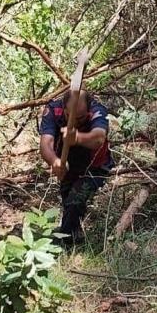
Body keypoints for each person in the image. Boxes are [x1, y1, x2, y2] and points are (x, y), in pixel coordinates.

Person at [39, 89, 113, 247]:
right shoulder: (52, 110)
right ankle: (74, 235)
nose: (75, 121)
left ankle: (63, 246)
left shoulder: (98, 111)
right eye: (70, 116)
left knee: (75, 201)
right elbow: (46, 143)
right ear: (64, 108)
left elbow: (99, 137)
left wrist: (77, 138)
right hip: (68, 166)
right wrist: (55, 161)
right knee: (68, 202)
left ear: (88, 109)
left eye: (80, 117)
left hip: (95, 167)